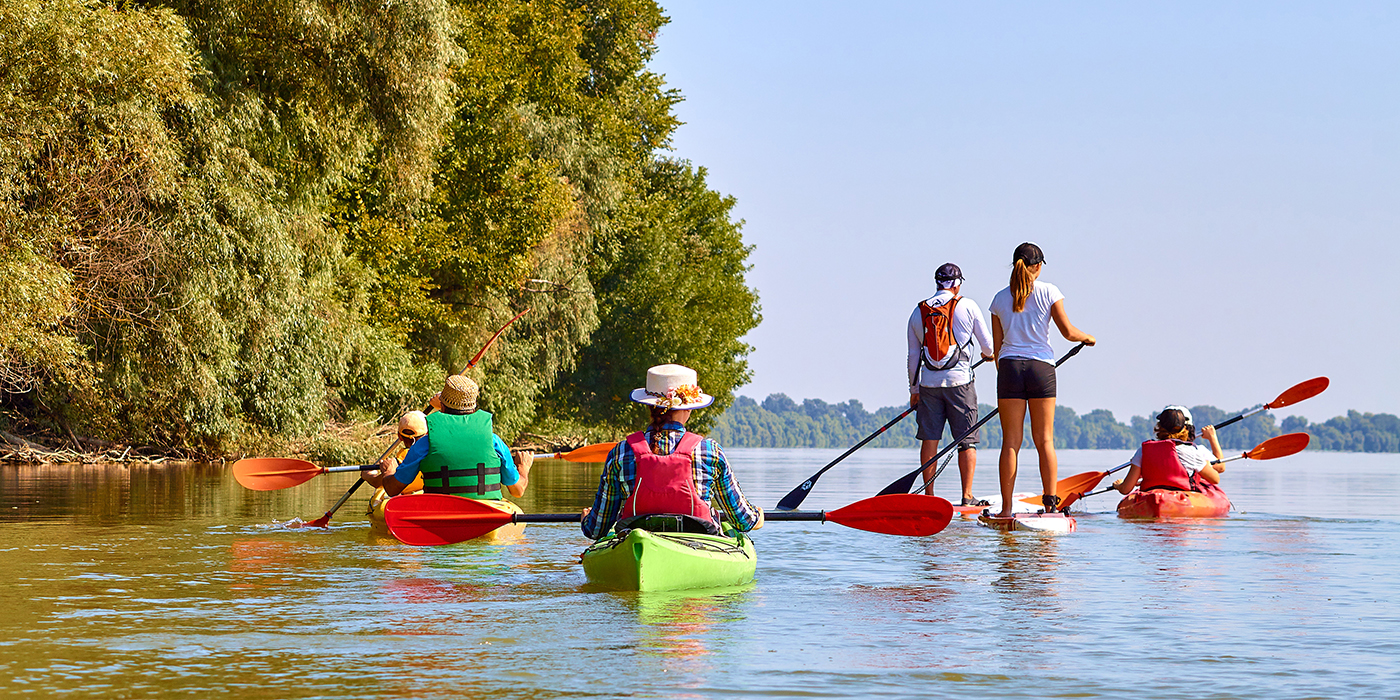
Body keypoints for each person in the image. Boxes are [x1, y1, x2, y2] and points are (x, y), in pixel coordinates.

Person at [581, 364, 763, 539]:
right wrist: (758, 516)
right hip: (700, 543)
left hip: (634, 541)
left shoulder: (620, 452)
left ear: (649, 406)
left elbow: (596, 530)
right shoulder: (710, 451)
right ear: (689, 407)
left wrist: (586, 520)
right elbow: (743, 521)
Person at [988, 242, 1096, 516]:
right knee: (1045, 440)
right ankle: (1051, 506)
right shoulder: (1050, 291)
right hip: (1041, 369)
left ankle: (1006, 509)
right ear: (1037, 266)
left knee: (1010, 442)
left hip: (1010, 369)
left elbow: (998, 349)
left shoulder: (999, 299)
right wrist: (1087, 337)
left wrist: (1008, 376)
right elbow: (1068, 332)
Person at [906, 262, 995, 506]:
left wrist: (914, 391)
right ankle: (967, 496)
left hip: (928, 385)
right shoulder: (968, 305)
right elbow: (988, 347)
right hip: (960, 383)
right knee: (966, 440)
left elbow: (913, 356)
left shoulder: (918, 312)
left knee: (930, 440)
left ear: (937, 283)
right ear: (957, 284)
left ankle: (929, 496)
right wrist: (988, 356)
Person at [364, 375, 532, 499]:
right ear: (474, 409)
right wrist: (523, 468)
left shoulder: (425, 444)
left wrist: (389, 471)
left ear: (442, 407)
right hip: (485, 513)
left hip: (440, 511)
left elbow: (392, 489)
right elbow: (518, 491)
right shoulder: (494, 442)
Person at [1113, 407, 1225, 494]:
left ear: (1159, 427)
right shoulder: (1191, 451)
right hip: (1182, 498)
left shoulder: (1142, 451)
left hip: (1151, 497)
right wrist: (1206, 464)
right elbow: (1215, 479)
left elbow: (1126, 489)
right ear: (1184, 428)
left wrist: (1118, 485)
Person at [366, 411, 427, 512]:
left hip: (408, 499)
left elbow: (380, 482)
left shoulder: (401, 459)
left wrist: (368, 476)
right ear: (427, 434)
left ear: (399, 436)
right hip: (428, 497)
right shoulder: (433, 452)